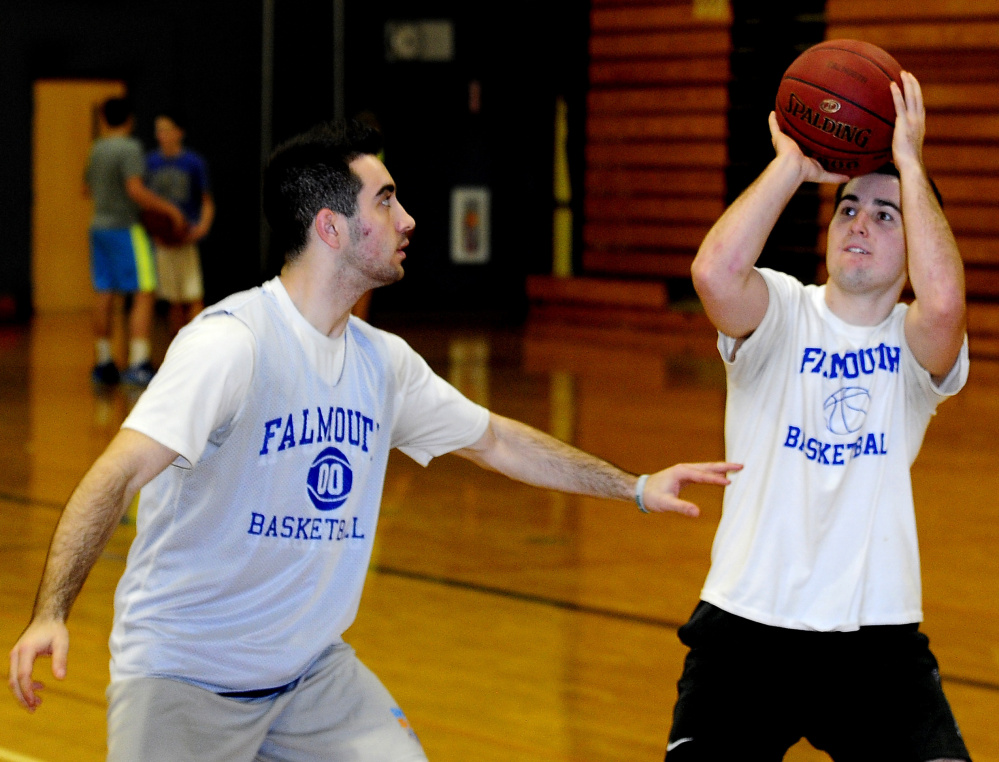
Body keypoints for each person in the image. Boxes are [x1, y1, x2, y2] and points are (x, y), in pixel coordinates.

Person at [9, 119, 741, 761]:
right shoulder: (232, 346)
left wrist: (634, 487)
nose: (408, 219)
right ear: (329, 227)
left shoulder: (380, 362)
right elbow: (116, 474)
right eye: (386, 201)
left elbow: (497, 442)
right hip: (186, 679)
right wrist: (51, 612)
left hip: (311, 679)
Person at [666, 72, 971, 760]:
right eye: (847, 208)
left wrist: (909, 163)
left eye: (884, 214)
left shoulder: (911, 343)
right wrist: (789, 166)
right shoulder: (777, 309)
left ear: (912, 241)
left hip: (874, 641)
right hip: (744, 629)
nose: (858, 222)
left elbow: (946, 305)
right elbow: (713, 274)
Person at [85, 96, 186, 387]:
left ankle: (103, 361)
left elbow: (86, 188)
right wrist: (168, 209)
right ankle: (139, 362)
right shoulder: (129, 148)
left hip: (98, 227)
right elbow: (135, 190)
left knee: (104, 291)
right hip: (125, 228)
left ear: (104, 119)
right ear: (129, 119)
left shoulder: (97, 148)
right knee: (144, 291)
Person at [146, 111, 215, 336]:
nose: (161, 135)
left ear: (179, 132)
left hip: (186, 237)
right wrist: (154, 230)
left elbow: (206, 200)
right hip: (162, 240)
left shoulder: (193, 163)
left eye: (166, 129)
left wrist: (202, 227)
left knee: (193, 294)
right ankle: (178, 346)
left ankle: (199, 345)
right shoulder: (150, 163)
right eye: (158, 130)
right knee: (172, 299)